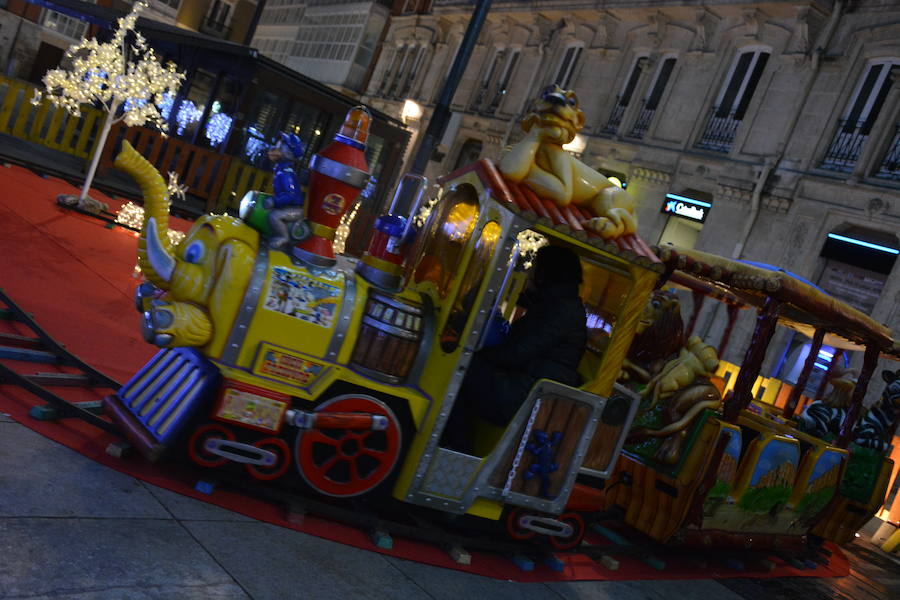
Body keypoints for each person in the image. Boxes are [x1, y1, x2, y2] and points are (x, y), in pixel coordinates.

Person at [444, 244, 587, 452]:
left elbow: (514, 354)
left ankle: (458, 448)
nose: (530, 272)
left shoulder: (560, 312)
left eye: (535, 267)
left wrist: (473, 348)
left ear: (548, 272)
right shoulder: (554, 305)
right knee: (466, 366)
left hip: (526, 395)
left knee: (459, 366)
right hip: (526, 385)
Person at [265, 132, 306, 249]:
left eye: (279, 147)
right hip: (287, 207)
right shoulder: (280, 170)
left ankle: (283, 237)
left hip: (294, 209)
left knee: (274, 216)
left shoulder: (286, 173)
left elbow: (291, 195)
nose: (275, 149)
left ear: (288, 153)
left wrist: (275, 201)